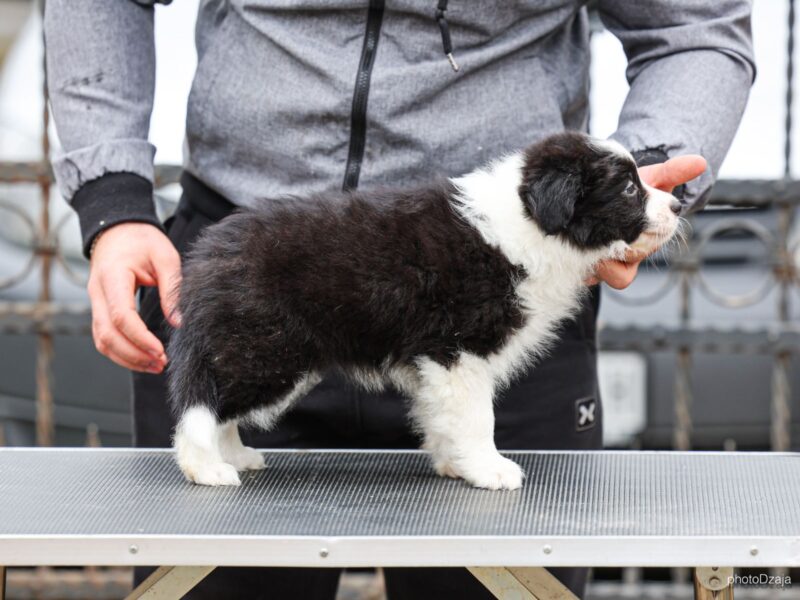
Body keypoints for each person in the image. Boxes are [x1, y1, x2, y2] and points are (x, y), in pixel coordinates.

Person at [44, 1, 753, 597]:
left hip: (507, 261)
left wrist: (638, 186)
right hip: (261, 259)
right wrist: (113, 198)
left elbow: (696, 26)